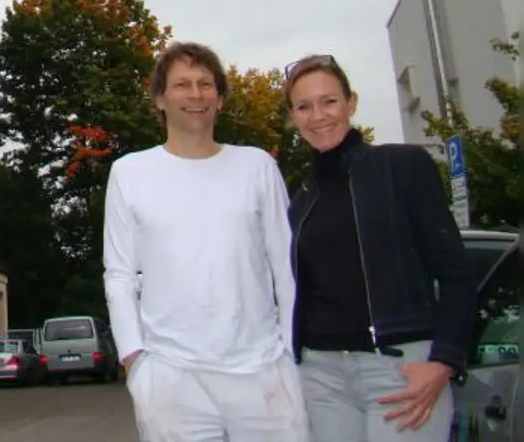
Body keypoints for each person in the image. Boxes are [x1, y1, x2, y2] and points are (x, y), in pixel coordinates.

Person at [103, 41, 308, 441]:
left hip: (263, 375)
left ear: (220, 98)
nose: (195, 95)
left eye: (205, 84)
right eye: (182, 85)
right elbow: (120, 274)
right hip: (171, 379)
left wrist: (289, 351)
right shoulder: (130, 173)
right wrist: (135, 363)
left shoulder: (256, 167)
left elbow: (287, 264)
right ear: (160, 98)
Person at [283, 54, 476, 441]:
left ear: (351, 103)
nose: (318, 115)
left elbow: (456, 273)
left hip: (398, 369)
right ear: (293, 117)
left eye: (329, 101)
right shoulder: (300, 196)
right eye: (304, 106)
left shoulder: (402, 167)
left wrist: (443, 361)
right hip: (321, 376)